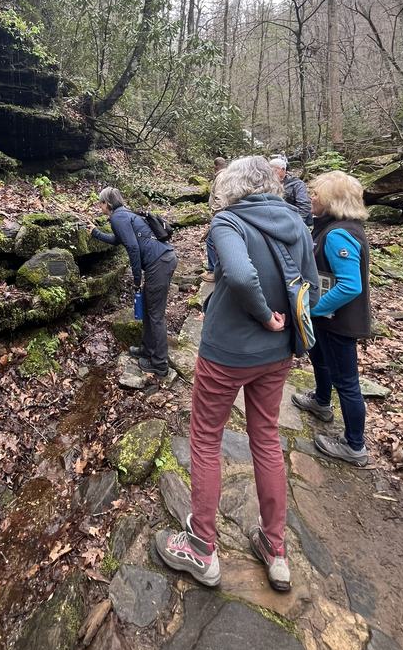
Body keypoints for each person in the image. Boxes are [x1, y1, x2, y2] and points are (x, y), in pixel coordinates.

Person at [155, 157, 319, 592]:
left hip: (226, 354)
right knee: (265, 439)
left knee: (206, 439)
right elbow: (313, 287)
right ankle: (275, 549)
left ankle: (202, 547)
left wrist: (263, 314)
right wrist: (283, 326)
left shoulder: (228, 221)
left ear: (232, 185)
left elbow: (241, 275)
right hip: (277, 355)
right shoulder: (298, 224)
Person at [292, 171, 372, 466]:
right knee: (321, 360)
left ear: (331, 200)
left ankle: (354, 445)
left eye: (316, 193)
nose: (311, 197)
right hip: (328, 318)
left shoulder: (338, 233)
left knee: (347, 383)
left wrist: (313, 309)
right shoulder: (335, 227)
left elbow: (350, 285)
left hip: (338, 321)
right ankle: (322, 401)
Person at [90, 187, 177, 378]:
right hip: (163, 260)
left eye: (100, 203)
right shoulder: (123, 215)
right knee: (147, 308)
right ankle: (147, 350)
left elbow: (133, 248)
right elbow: (117, 240)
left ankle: (160, 364)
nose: (99, 206)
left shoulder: (118, 217)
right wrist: (96, 233)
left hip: (159, 263)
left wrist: (137, 280)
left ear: (107, 203)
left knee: (155, 315)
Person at [202, 156, 228, 282]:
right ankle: (220, 269)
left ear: (216, 166)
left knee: (211, 241)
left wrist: (214, 213)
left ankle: (213, 272)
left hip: (220, 214)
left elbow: (220, 200)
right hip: (225, 214)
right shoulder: (226, 175)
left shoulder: (221, 177)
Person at [269, 156, 313, 226]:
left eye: (275, 171)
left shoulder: (297, 184)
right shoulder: (269, 184)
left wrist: (298, 222)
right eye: (270, 171)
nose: (272, 174)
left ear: (283, 170)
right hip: (276, 221)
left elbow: (304, 204)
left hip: (294, 220)